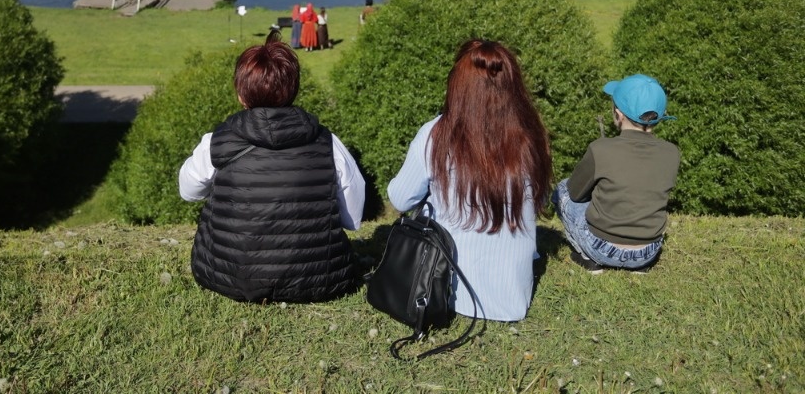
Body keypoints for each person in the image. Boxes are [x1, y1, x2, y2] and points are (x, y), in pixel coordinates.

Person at [179, 33, 365, 303]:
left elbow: (188, 191)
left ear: (242, 93)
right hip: (320, 278)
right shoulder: (328, 143)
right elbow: (353, 218)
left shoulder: (216, 142)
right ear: (293, 88)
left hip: (229, 276)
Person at [387, 39, 552, 322]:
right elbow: (541, 198)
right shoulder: (530, 135)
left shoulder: (435, 134)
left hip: (451, 291)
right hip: (514, 296)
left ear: (457, 87)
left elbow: (400, 199)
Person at [553, 74, 679, 274]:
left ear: (618, 114)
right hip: (648, 252)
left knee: (562, 188)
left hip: (601, 248)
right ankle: (638, 266)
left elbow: (575, 194)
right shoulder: (672, 152)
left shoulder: (600, 148)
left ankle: (588, 257)